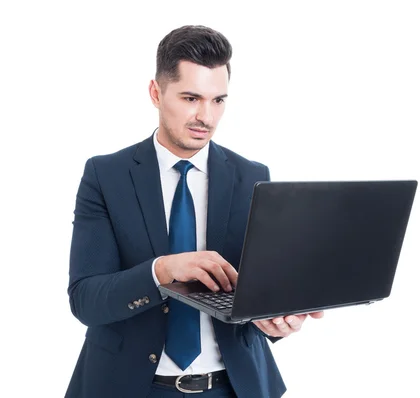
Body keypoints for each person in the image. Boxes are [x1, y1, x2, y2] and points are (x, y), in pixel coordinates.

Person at [65, 25, 323, 398]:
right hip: (130, 387)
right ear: (156, 93)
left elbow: (257, 293)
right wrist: (163, 271)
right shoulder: (106, 176)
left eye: (218, 100)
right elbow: (86, 299)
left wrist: (275, 320)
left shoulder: (252, 177)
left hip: (232, 387)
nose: (207, 116)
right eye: (190, 98)